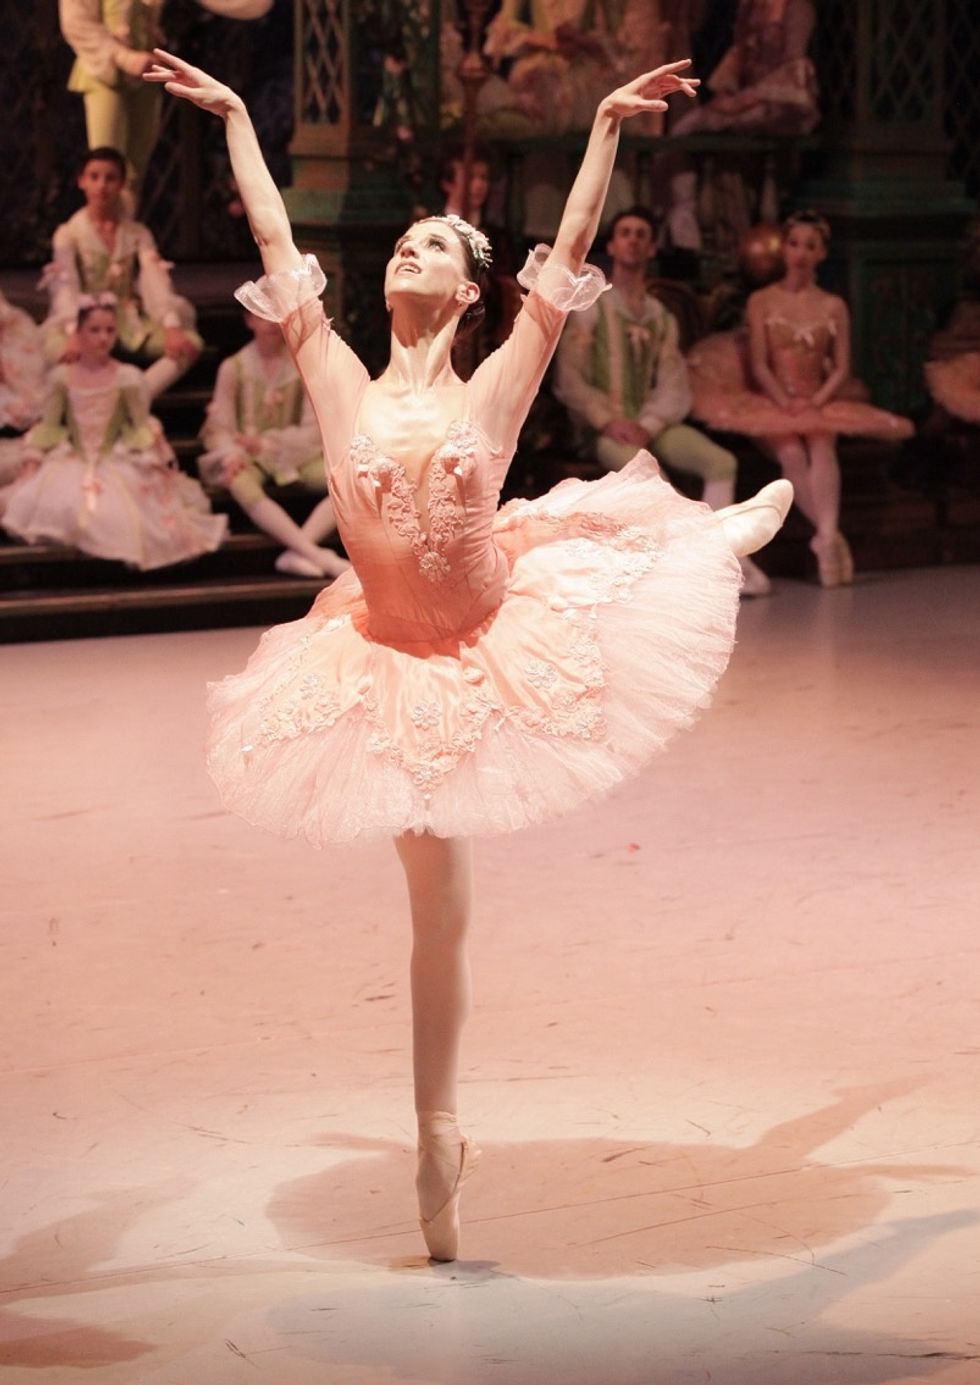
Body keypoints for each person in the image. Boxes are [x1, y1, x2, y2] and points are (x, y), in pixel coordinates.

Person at [146, 48, 792, 1263]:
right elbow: (281, 243)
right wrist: (237, 114)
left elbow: (564, 258)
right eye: (402, 242)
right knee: (433, 916)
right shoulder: (332, 375)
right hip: (385, 652)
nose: (409, 250)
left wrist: (603, 128)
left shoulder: (499, 381)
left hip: (489, 627)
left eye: (435, 246)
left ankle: (706, 537)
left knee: (593, 538)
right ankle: (436, 1130)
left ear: (468, 290)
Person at [555, 205, 772, 595]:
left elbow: (674, 382)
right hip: (606, 429)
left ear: (652, 248)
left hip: (648, 424)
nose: (634, 241)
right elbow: (570, 377)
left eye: (642, 234)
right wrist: (607, 419)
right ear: (612, 245)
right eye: (626, 233)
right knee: (654, 477)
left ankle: (729, 558)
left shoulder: (659, 316)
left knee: (722, 462)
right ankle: (687, 571)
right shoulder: (593, 310)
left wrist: (651, 423)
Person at [740, 212, 911, 586]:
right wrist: (785, 401)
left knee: (821, 442)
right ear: (784, 249)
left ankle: (826, 537)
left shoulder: (833, 306)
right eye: (794, 243)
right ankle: (831, 537)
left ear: (822, 254)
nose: (801, 253)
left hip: (817, 397)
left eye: (811, 246)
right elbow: (758, 363)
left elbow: (841, 367)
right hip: (774, 400)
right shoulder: (762, 300)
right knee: (790, 451)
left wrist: (814, 400)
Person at [2, 296, 226, 568]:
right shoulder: (63, 378)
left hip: (113, 458)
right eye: (94, 330)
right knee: (55, 503)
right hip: (73, 458)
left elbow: (139, 427)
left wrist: (153, 454)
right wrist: (32, 463)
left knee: (120, 514)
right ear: (80, 333)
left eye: (109, 331)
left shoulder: (127, 378)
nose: (102, 338)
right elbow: (49, 427)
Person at [58, 0, 275, 193]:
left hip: (145, 76)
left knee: (134, 174)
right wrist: (124, 58)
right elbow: (77, 23)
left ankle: (124, 233)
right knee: (105, 167)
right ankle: (102, 235)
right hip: (104, 72)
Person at [40, 146, 202, 400]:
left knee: (188, 344)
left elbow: (154, 279)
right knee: (57, 351)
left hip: (127, 321)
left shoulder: (136, 233)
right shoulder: (69, 233)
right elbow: (65, 285)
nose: (102, 185)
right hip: (84, 321)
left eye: (110, 178)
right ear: (82, 182)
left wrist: (171, 325)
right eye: (94, 177)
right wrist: (73, 332)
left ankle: (132, 398)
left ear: (122, 184)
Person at [198, 307, 349, 578]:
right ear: (249, 321)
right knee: (239, 481)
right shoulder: (234, 368)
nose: (270, 324)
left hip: (292, 454)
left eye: (275, 316)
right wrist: (232, 453)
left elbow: (312, 429)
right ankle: (318, 556)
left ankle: (298, 550)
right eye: (261, 316)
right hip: (249, 455)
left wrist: (268, 445)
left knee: (346, 479)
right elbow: (220, 427)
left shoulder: (301, 366)